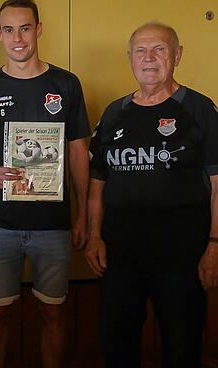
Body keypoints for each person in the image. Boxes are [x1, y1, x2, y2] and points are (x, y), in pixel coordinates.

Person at [0, 0, 90, 368]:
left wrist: (82, 216)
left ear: (38, 30)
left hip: (54, 226)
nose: (18, 38)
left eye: (25, 28)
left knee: (53, 313)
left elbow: (79, 152)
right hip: (0, 225)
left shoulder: (66, 84)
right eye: (9, 29)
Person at [84, 22, 218, 366]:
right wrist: (95, 235)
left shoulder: (201, 111)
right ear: (129, 58)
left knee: (182, 349)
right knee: (117, 348)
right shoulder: (114, 113)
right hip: (120, 257)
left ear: (178, 55)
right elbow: (97, 183)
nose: (149, 58)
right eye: (141, 50)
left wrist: (215, 245)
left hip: (182, 258)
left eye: (159, 49)